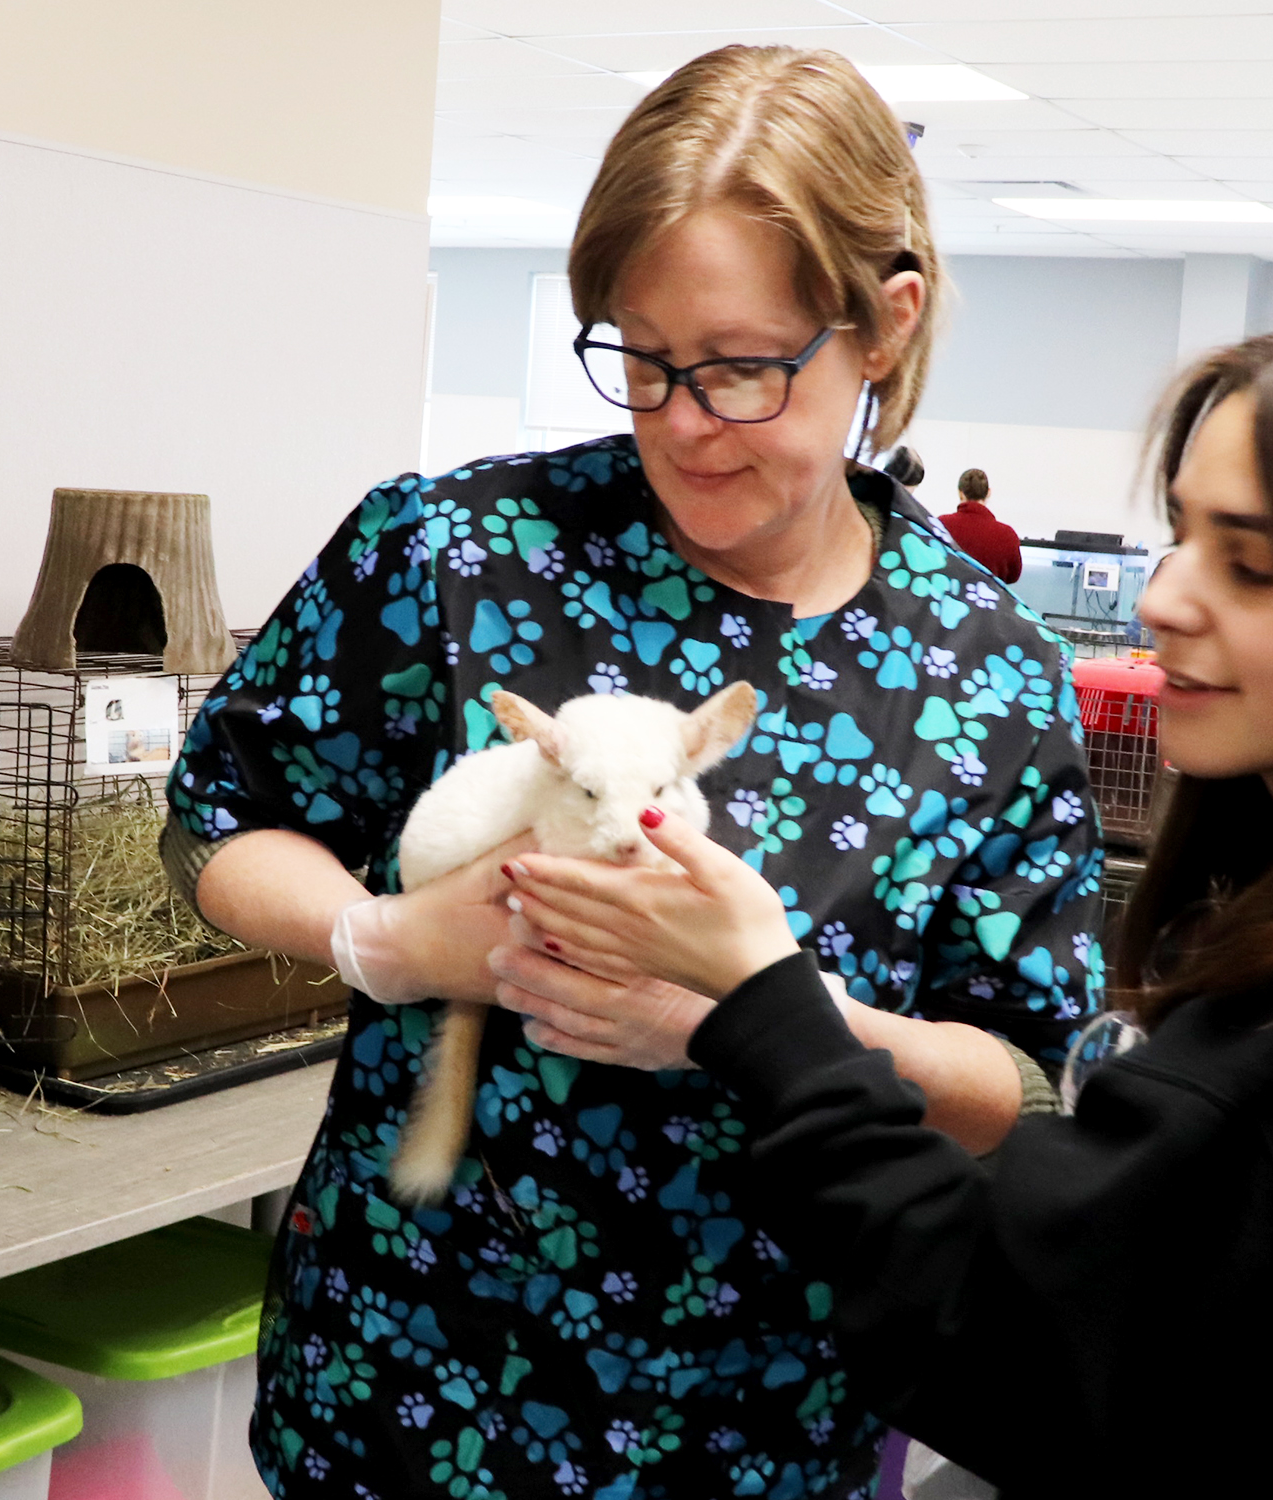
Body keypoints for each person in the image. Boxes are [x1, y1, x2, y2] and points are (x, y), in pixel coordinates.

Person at [497, 310, 1273, 1498]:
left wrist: (771, 1005)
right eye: (1179, 535)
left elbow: (1012, 1351)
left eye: (1253, 564)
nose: (1165, 600)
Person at [161, 45, 1102, 1499]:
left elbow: (1023, 1085)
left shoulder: (985, 678)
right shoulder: (456, 553)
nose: (675, 421)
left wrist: (767, 1017)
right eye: (640, 356)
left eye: (738, 370)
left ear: (883, 329)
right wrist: (387, 938)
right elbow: (220, 820)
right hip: (408, 1383)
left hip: (756, 1423)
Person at [938, 467, 1021, 583]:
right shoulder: (1007, 534)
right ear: (988, 493)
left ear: (960, 493)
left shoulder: (941, 525)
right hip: (992, 599)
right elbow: (1013, 576)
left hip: (949, 598)